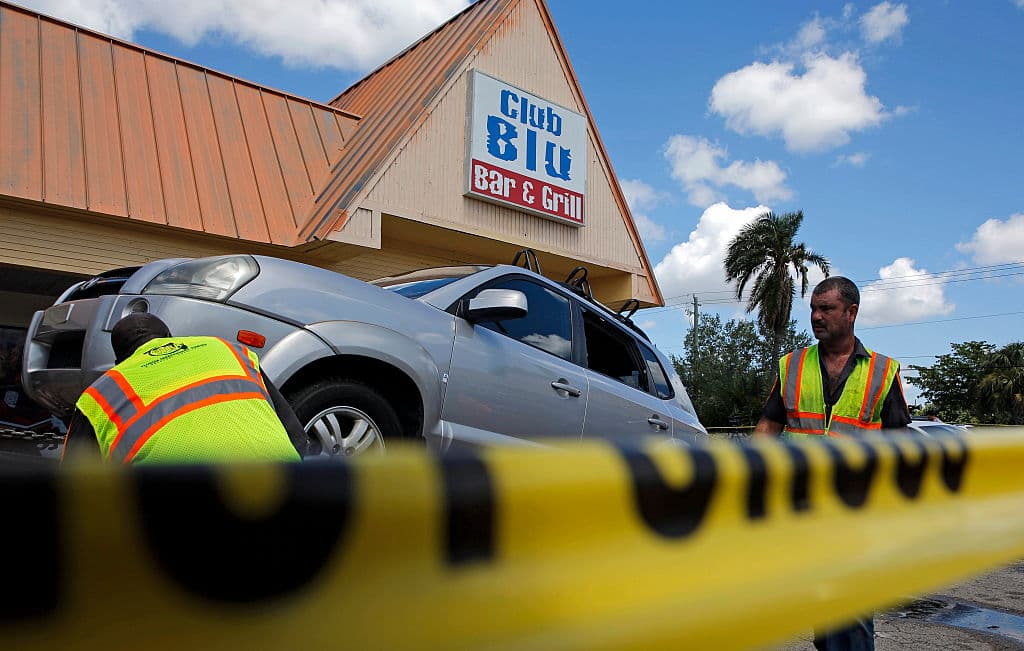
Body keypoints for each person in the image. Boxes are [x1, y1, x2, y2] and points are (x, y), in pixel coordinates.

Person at [754, 276, 911, 651]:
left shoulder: (882, 371)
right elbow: (769, 424)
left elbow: (900, 443)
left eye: (826, 308)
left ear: (851, 312)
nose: (816, 316)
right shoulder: (792, 364)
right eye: (813, 308)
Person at [61, 313, 307, 463]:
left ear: (120, 361)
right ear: (171, 337)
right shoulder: (230, 351)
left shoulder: (101, 393)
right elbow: (297, 437)